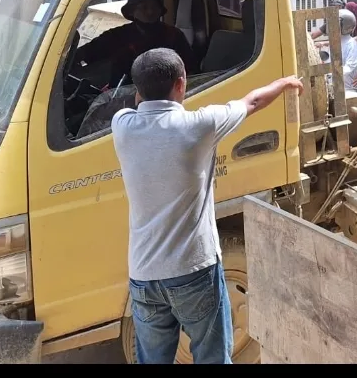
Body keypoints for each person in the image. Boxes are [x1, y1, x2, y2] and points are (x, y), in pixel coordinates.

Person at [113, 48, 302, 363]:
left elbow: (135, 107)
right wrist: (283, 83)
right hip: (194, 271)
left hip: (144, 275)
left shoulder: (122, 126)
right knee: (212, 356)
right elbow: (252, 101)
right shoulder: (199, 126)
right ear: (181, 83)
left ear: (137, 91)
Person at [75, 0, 197, 89]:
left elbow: (190, 71)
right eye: (143, 7)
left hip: (163, 96)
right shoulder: (117, 36)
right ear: (132, 11)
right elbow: (86, 53)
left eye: (154, 6)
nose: (150, 12)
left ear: (160, 10)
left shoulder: (174, 36)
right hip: (120, 98)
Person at [336, 8, 357, 92]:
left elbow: (349, 66)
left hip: (348, 87)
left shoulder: (351, 44)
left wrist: (334, 74)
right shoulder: (334, 42)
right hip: (334, 84)